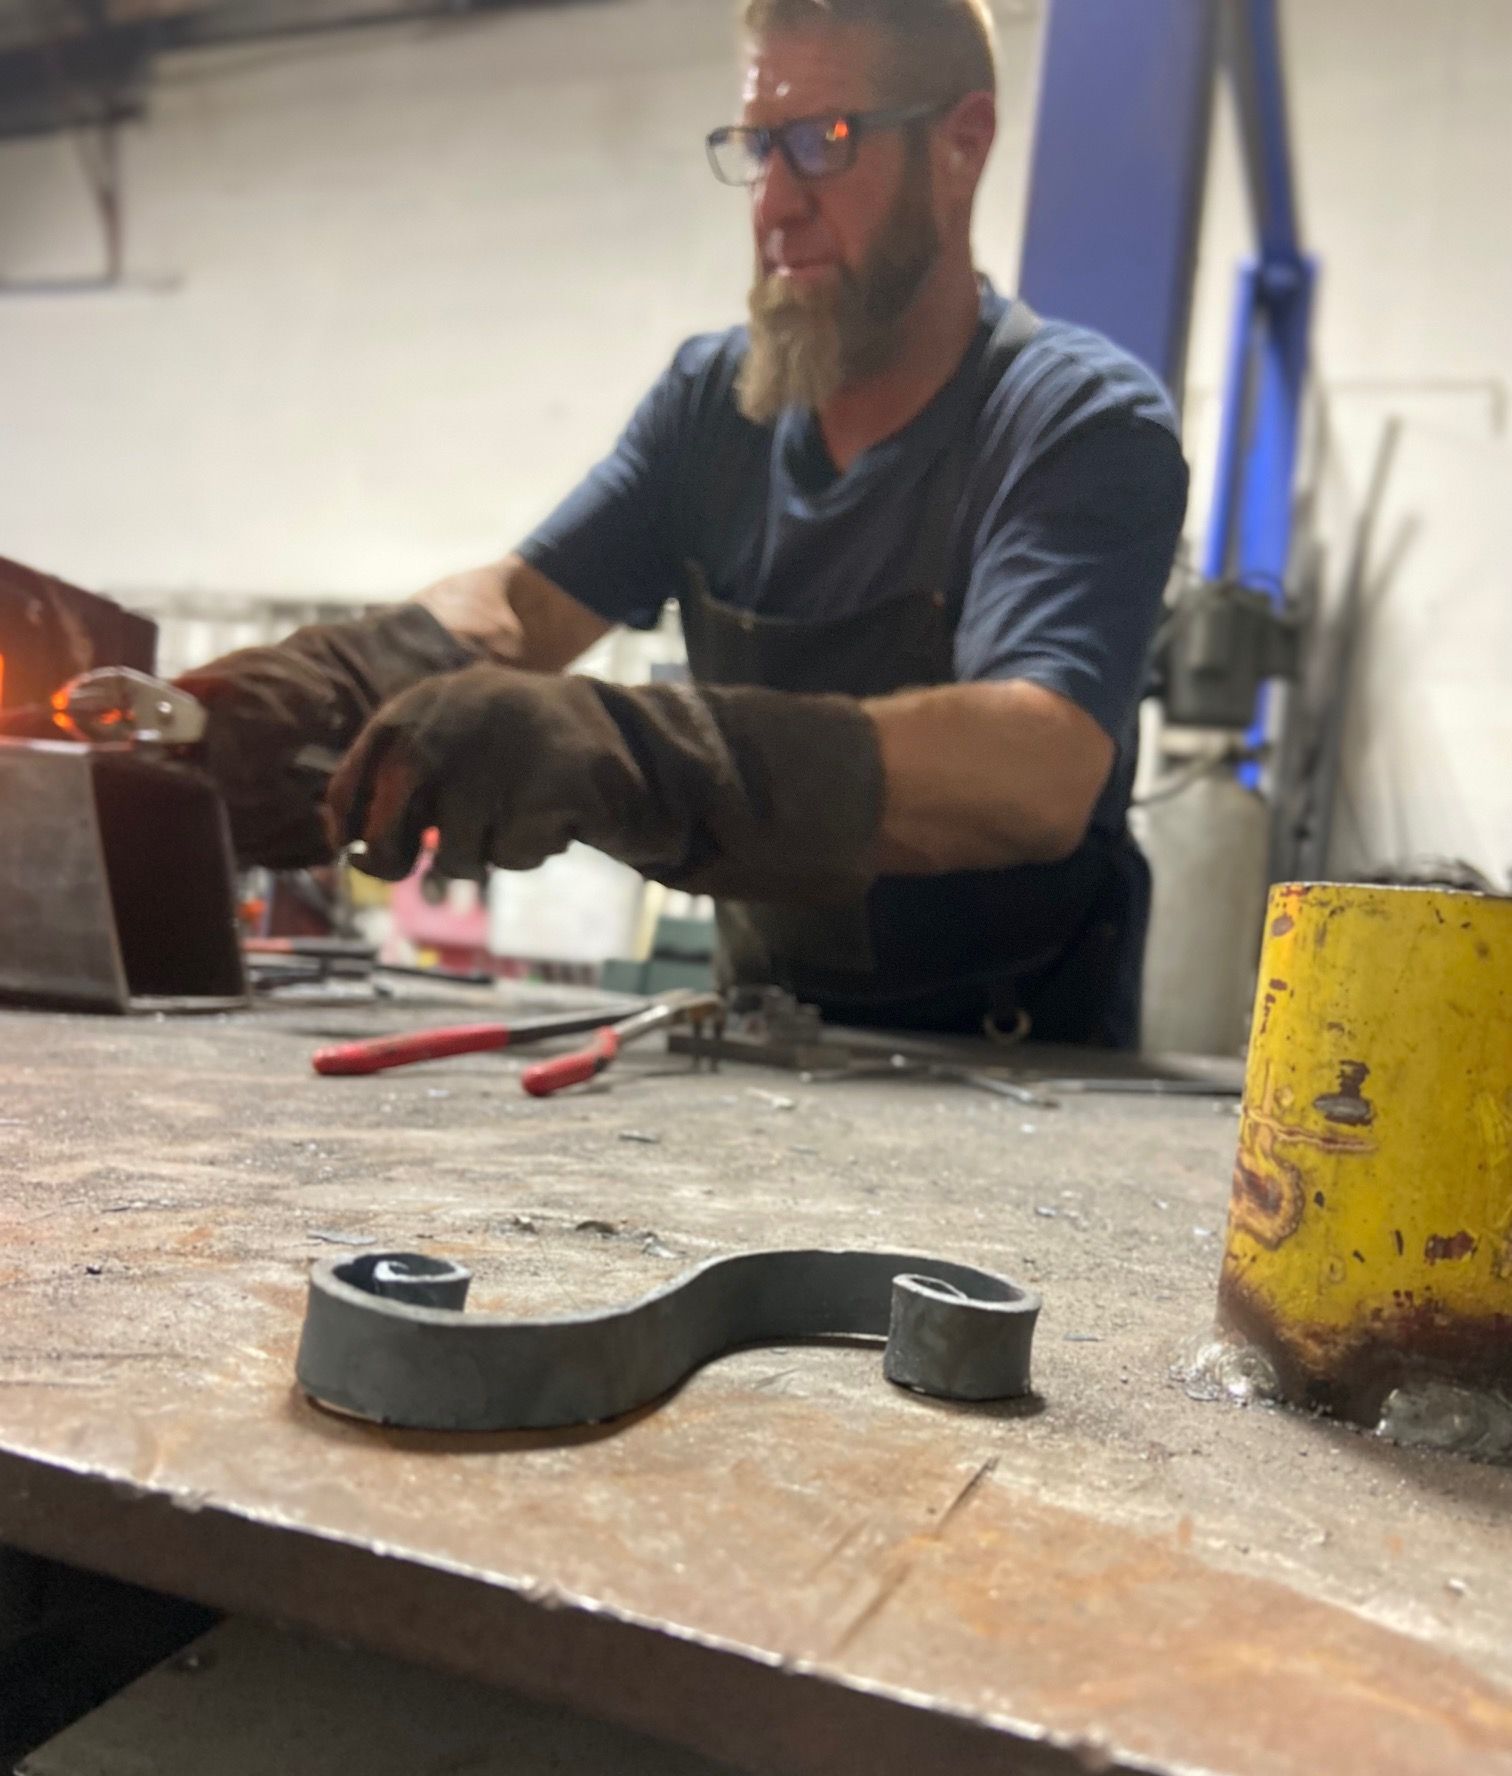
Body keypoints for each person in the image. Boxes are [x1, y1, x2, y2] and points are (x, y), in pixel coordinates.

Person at [181, 0, 1188, 1046]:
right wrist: (321, 688)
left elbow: (1034, 773)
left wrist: (624, 752)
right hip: (761, 1037)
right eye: (758, 146)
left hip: (1020, 1073)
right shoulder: (716, 403)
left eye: (824, 142)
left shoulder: (1074, 423)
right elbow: (519, 613)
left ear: (961, 143)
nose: (775, 206)